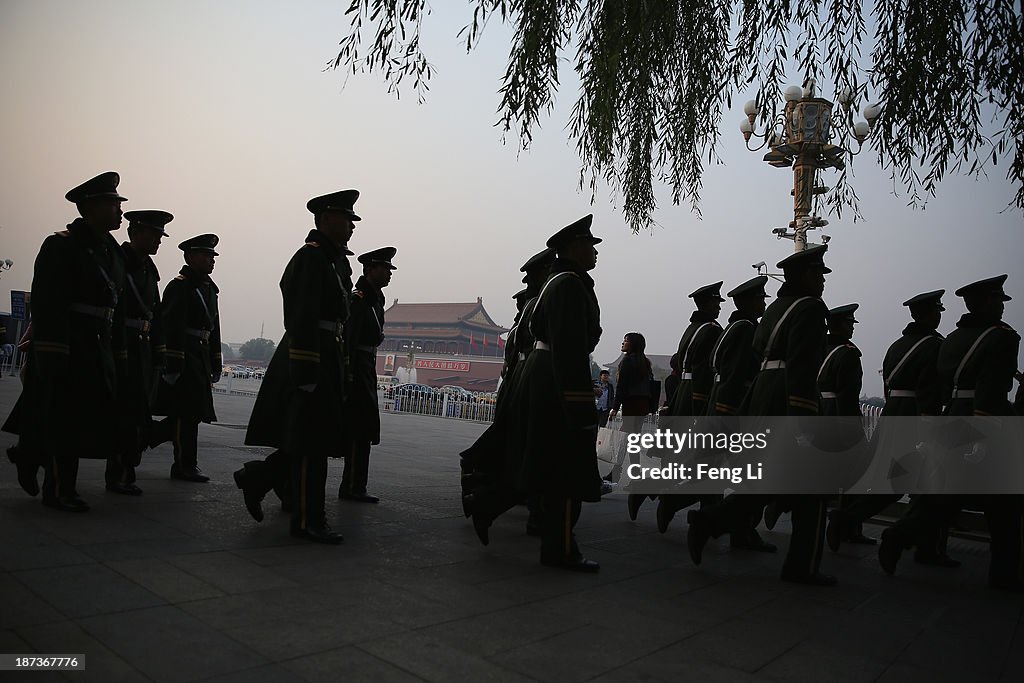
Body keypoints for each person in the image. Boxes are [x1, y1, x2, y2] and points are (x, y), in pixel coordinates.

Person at [687, 245, 836, 585]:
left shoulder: (775, 310)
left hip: (764, 396)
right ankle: (803, 566)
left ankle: (710, 521)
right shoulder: (811, 308)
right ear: (804, 276)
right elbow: (802, 365)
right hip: (789, 400)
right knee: (811, 487)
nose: (822, 281)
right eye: (817, 274)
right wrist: (804, 422)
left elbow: (757, 355)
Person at [879, 275, 1023, 591]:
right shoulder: (1003, 338)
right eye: (999, 300)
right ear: (988, 302)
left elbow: (943, 388)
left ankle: (900, 534)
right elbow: (992, 390)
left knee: (944, 498)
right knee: (1004, 507)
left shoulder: (953, 340)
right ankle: (1004, 575)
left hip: (952, 420)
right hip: (986, 425)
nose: (1001, 305)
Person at [2, 171, 128, 511]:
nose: (119, 211)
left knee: (84, 418)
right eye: (112, 203)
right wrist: (54, 352)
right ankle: (58, 489)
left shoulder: (111, 251)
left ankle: (30, 455)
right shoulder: (62, 244)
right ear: (89, 207)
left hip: (97, 345)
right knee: (65, 419)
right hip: (69, 343)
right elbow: (49, 302)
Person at [238, 189, 358, 544]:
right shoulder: (311, 258)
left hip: (327, 353)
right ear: (324, 219)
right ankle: (307, 519)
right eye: (345, 218)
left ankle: (258, 478)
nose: (351, 226)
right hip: (310, 355)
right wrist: (306, 371)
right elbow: (301, 316)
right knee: (310, 443)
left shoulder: (334, 261)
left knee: (313, 439)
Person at [506, 214, 604, 572]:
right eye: (589, 246)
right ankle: (561, 546)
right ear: (572, 248)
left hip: (546, 376)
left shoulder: (561, 282)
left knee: (553, 466)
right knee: (565, 469)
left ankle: (558, 541)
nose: (595, 253)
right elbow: (570, 349)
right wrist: (579, 405)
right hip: (557, 382)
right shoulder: (567, 285)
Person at [462, 245, 555, 542]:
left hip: (523, 378)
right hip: (530, 380)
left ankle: (482, 486)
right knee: (527, 450)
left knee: (521, 448)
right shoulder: (537, 305)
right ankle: (481, 486)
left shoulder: (529, 308)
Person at [646, 282, 725, 526]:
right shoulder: (711, 330)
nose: (718, 307)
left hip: (684, 391)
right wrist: (704, 402)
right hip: (698, 395)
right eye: (715, 302)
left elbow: (680, 362)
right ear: (707, 304)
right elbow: (706, 367)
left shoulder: (692, 328)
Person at [106, 210, 171, 495]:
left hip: (142, 349)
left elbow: (155, 314)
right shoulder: (118, 263)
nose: (158, 241)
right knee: (123, 414)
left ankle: (127, 471)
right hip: (120, 344)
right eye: (153, 235)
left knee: (137, 413)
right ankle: (119, 472)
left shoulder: (147, 270)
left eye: (159, 236)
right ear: (135, 233)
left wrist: (159, 352)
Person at [153, 234, 222, 482]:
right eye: (206, 256)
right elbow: (171, 326)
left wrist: (216, 361)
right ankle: (184, 465)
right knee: (187, 413)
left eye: (212, 256)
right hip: (185, 354)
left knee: (191, 413)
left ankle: (149, 437)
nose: (211, 261)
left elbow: (214, 328)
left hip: (200, 354)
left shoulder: (208, 288)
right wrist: (173, 363)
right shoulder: (179, 286)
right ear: (190, 257)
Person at [339, 246, 397, 504]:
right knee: (357, 428)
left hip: (367, 365)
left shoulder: (376, 299)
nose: (389, 274)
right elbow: (349, 341)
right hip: (357, 367)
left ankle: (356, 484)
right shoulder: (360, 300)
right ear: (370, 269)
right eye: (384, 269)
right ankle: (351, 485)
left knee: (364, 429)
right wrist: (348, 374)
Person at [604, 333, 652, 483]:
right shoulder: (645, 362)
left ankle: (618, 474)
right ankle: (632, 475)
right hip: (642, 405)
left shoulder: (627, 362)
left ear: (633, 344)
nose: (623, 343)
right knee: (632, 441)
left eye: (626, 341)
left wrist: (614, 407)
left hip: (631, 405)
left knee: (625, 440)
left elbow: (622, 388)